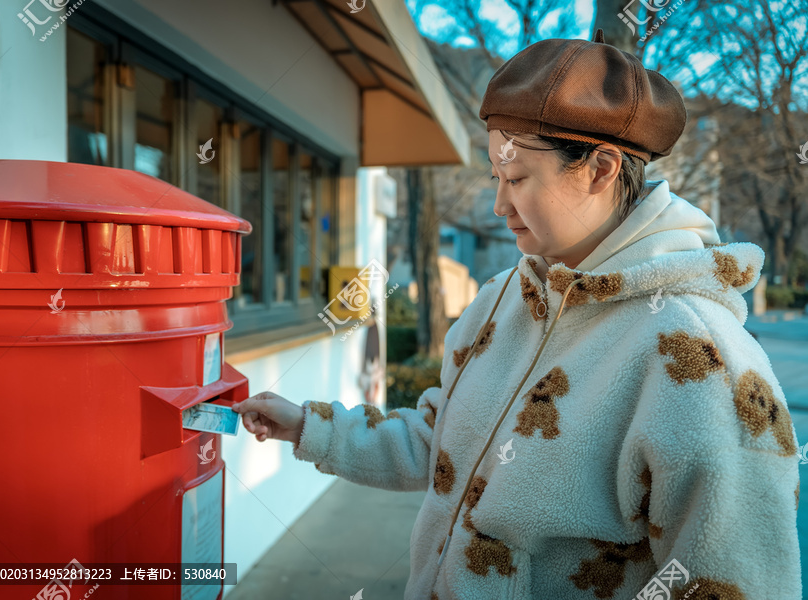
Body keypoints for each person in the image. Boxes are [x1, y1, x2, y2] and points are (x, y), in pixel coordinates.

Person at [232, 29, 802, 600]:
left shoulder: (697, 356)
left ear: (601, 169)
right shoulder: (502, 297)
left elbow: (737, 582)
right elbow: (441, 446)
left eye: (519, 179)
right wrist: (308, 426)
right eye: (495, 179)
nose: (501, 206)